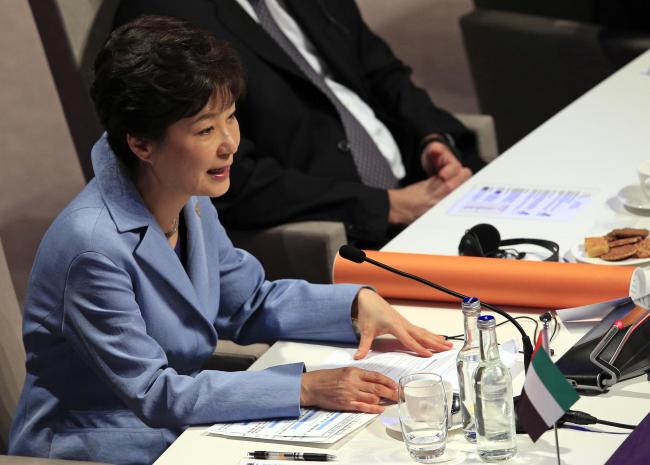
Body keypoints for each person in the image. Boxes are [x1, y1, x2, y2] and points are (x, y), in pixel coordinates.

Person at [8, 16, 452, 465]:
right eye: (205, 130)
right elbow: (153, 392)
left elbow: (247, 303)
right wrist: (304, 387)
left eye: (231, 117)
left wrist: (354, 306)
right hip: (91, 444)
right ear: (141, 144)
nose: (230, 144)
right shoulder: (92, 246)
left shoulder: (188, 196)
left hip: (176, 422)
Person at [114, 0, 483, 248]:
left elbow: (379, 69)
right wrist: (384, 205)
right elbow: (224, 171)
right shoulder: (162, 18)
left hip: (424, 183)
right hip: (346, 228)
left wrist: (430, 139)